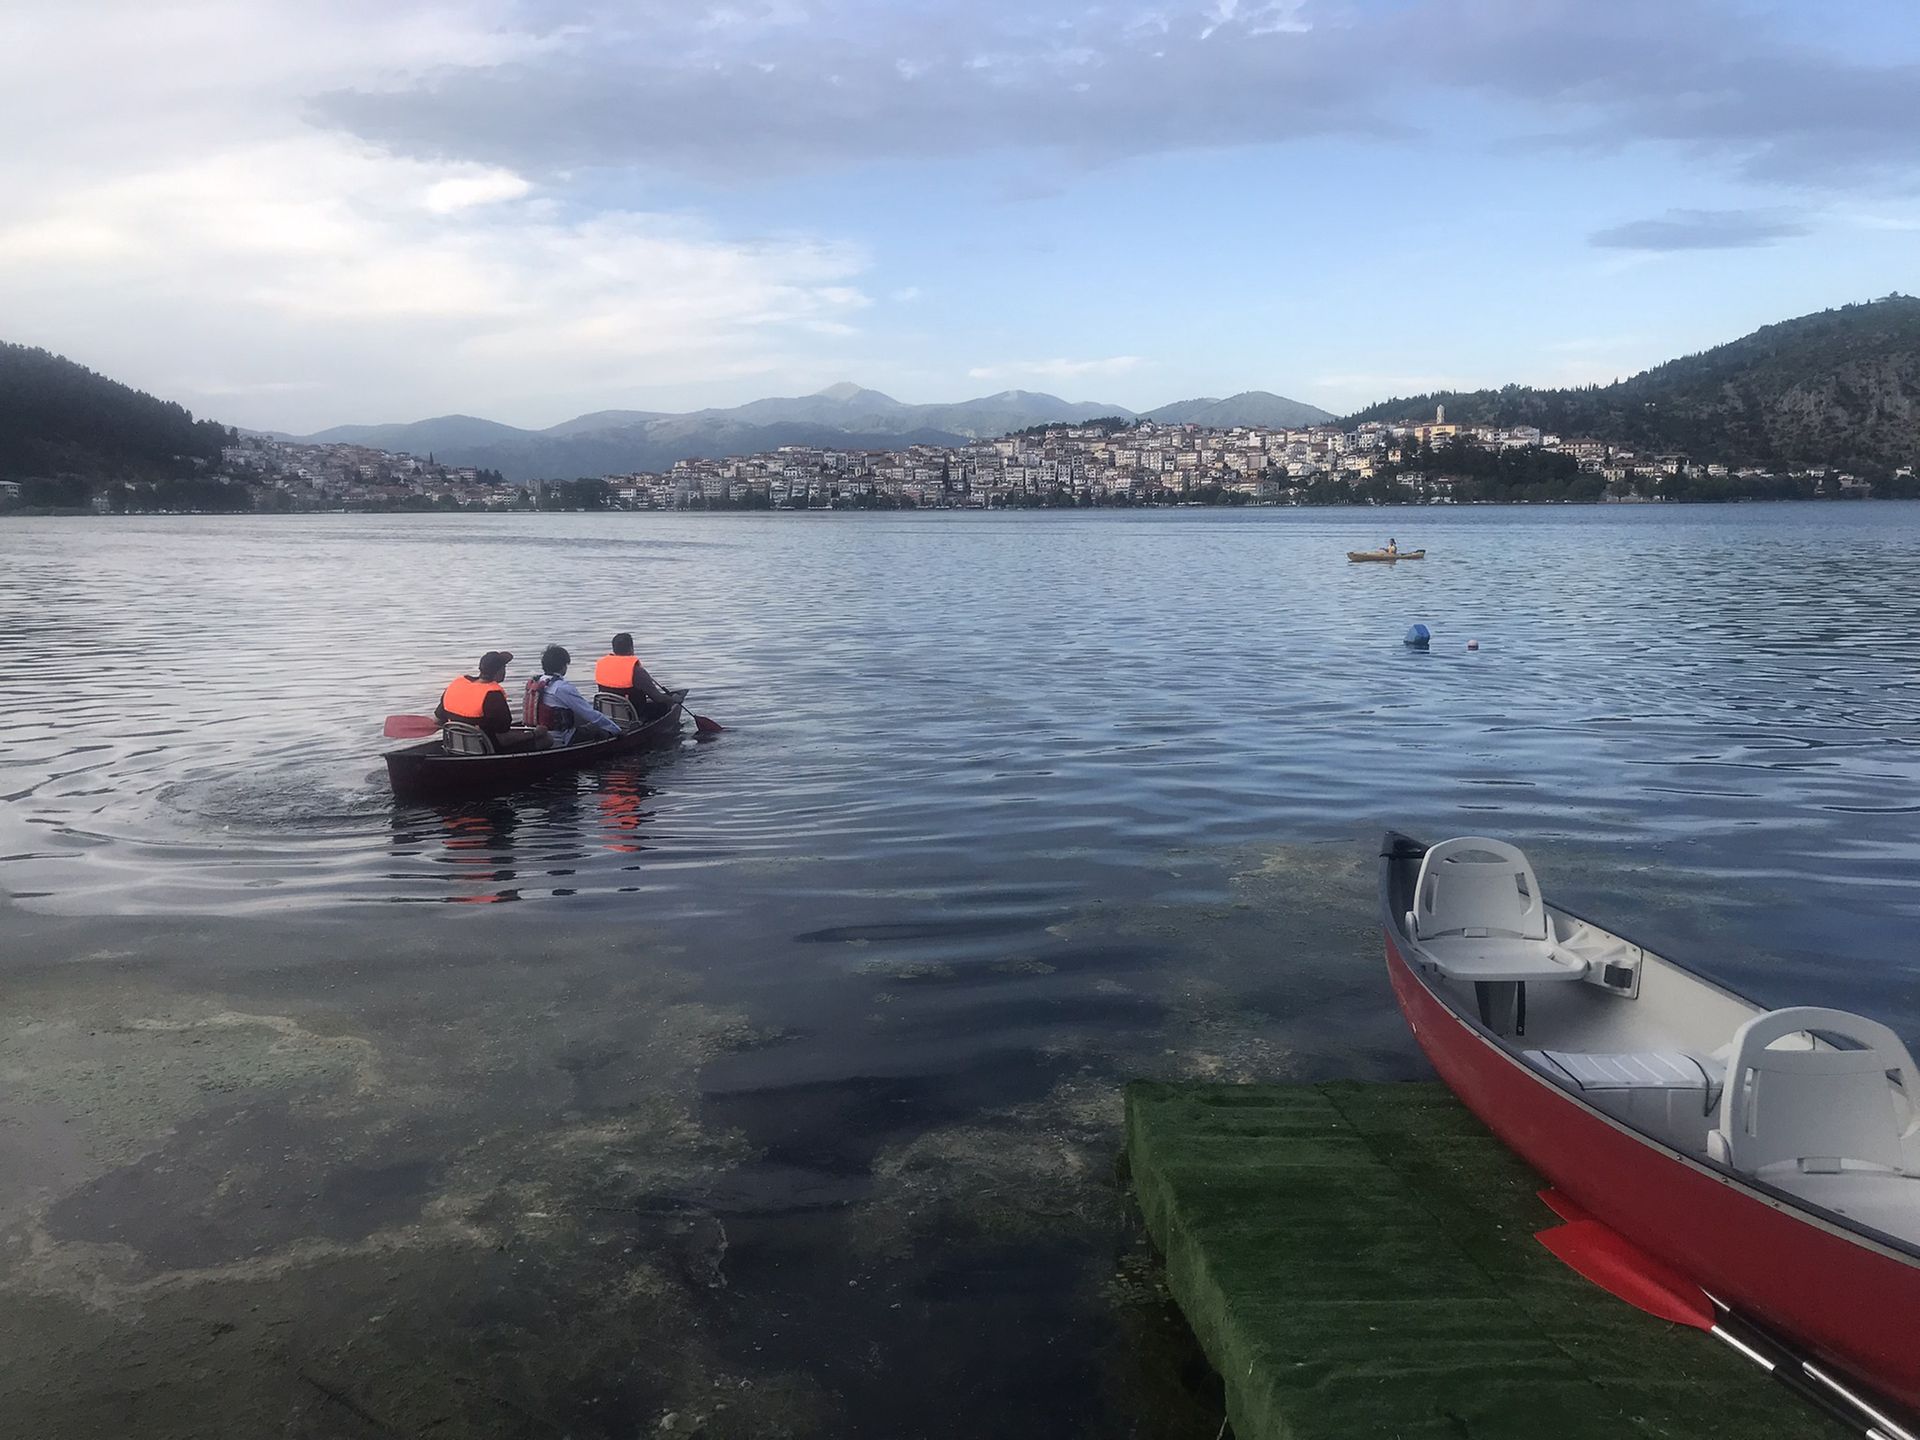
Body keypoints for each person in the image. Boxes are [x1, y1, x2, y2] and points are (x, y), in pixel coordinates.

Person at [436, 650, 553, 752]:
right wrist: (535, 733)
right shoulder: (493, 695)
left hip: (456, 746)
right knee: (546, 739)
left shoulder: (457, 684)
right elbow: (504, 739)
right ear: (500, 671)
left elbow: (439, 719)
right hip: (487, 749)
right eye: (504, 667)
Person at [529, 644, 624, 743]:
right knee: (596, 728)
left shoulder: (537, 682)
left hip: (541, 731)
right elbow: (590, 714)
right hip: (561, 737)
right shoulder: (562, 688)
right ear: (563, 666)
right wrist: (616, 729)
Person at [594, 632, 673, 717]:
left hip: (608, 714)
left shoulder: (601, 665)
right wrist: (673, 699)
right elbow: (658, 698)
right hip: (634, 716)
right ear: (631, 648)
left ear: (614, 649)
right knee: (664, 705)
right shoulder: (637, 671)